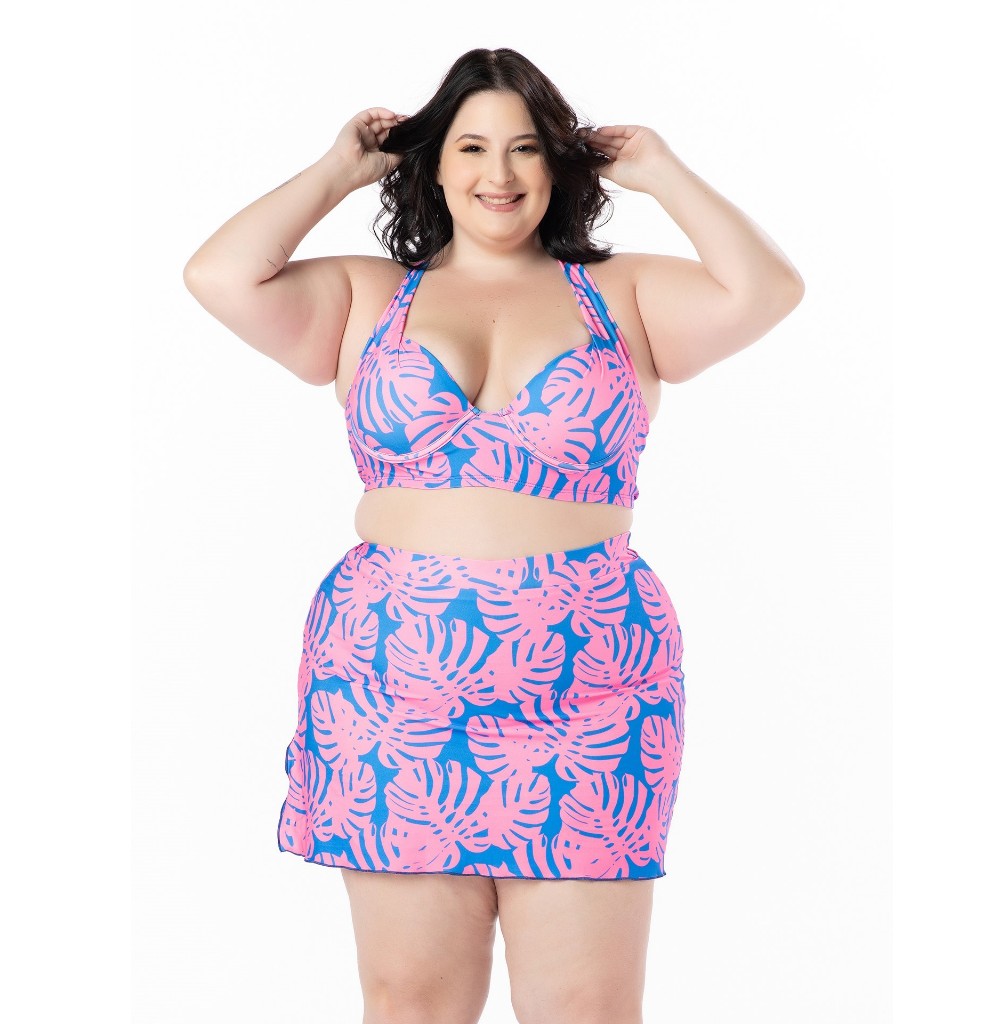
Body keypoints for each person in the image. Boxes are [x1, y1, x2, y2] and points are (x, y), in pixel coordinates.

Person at [184, 46, 803, 1024]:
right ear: (433, 164)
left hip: (592, 697)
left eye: (525, 148)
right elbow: (219, 274)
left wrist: (662, 170)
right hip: (391, 694)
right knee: (411, 1000)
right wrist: (340, 168)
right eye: (471, 147)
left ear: (558, 163)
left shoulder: (626, 292)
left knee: (587, 1006)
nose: (499, 173)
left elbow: (766, 290)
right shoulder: (365, 295)